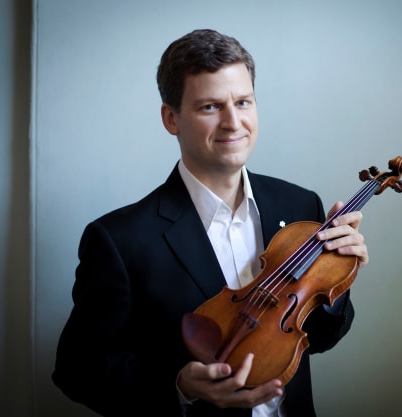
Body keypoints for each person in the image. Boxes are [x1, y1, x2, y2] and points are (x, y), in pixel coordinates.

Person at [52, 28, 369, 417]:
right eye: (210, 107)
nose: (233, 122)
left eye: (243, 101)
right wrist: (179, 387)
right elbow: (76, 370)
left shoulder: (301, 204)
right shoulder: (119, 239)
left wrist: (337, 281)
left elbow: (313, 338)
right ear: (172, 118)